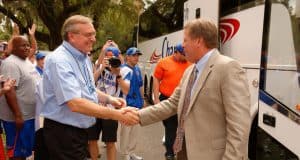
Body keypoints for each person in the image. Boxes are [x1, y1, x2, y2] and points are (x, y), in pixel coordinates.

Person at [125, 18, 251, 160]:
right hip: (184, 152)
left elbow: (239, 127)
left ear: (198, 41)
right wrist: (138, 115)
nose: (182, 46)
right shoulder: (190, 71)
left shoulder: (228, 68)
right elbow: (172, 103)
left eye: (185, 40)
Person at [39, 15, 138, 160]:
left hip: (79, 131)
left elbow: (89, 89)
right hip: (63, 133)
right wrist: (118, 115)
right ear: (71, 36)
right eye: (89, 35)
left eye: (94, 35)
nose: (94, 39)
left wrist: (110, 99)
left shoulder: (84, 57)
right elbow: (75, 103)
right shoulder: (59, 60)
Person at [0, 36, 40, 160]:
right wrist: (17, 115)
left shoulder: (26, 61)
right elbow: (9, 91)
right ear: (14, 48)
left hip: (29, 116)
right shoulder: (11, 63)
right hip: (17, 119)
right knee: (17, 153)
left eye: (28, 45)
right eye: (23, 45)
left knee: (25, 151)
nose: (27, 47)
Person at [152, 43, 191, 160]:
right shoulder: (163, 62)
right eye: (183, 54)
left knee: (180, 126)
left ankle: (173, 151)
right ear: (176, 52)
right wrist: (156, 98)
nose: (185, 57)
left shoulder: (190, 64)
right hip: (167, 98)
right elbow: (156, 80)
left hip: (184, 99)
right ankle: (170, 150)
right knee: (170, 126)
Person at [87, 45, 123, 160]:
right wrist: (102, 68)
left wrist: (117, 72)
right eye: (107, 58)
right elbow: (90, 83)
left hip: (110, 110)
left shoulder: (119, 69)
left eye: (112, 58)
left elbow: (125, 89)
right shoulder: (98, 66)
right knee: (92, 139)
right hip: (95, 108)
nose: (110, 60)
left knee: (110, 142)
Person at [118, 47, 144, 160]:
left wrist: (143, 99)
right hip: (127, 105)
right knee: (126, 132)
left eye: (137, 55)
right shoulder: (124, 70)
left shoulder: (137, 69)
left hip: (137, 104)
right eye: (134, 55)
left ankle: (131, 152)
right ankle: (125, 154)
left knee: (135, 132)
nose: (136, 57)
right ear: (127, 57)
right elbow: (124, 89)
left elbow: (140, 85)